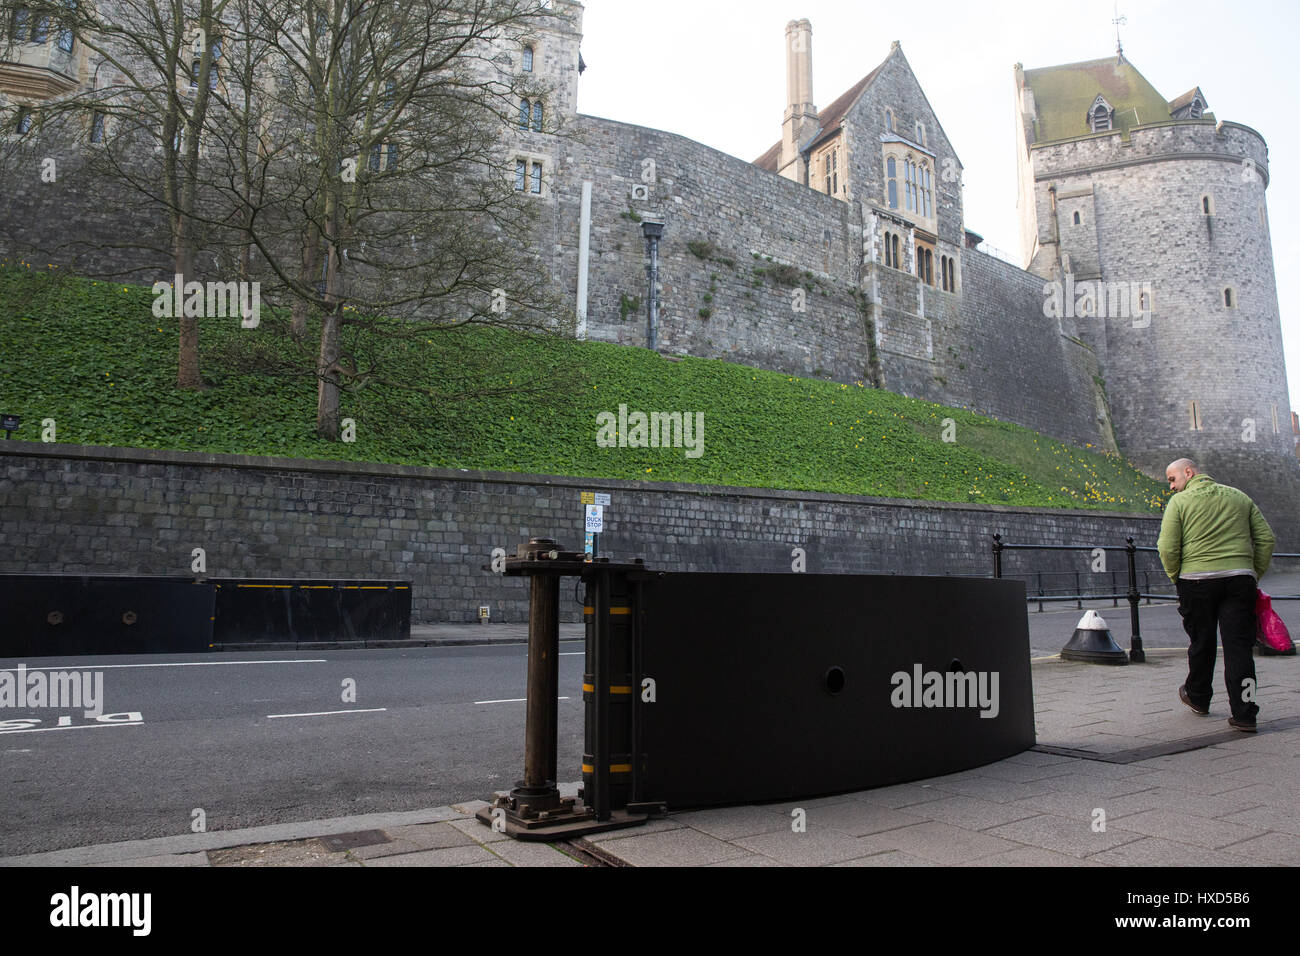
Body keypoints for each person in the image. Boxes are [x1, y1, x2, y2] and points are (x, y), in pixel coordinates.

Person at [1157, 458, 1274, 732]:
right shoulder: (1240, 497)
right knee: (1239, 648)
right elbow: (1266, 539)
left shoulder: (1180, 503)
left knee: (1202, 641)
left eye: (1173, 479)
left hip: (1196, 581)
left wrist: (1177, 577)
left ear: (1189, 472)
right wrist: (1252, 572)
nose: (1172, 487)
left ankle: (1198, 696)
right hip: (1239, 580)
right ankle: (1245, 714)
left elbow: (1167, 547)